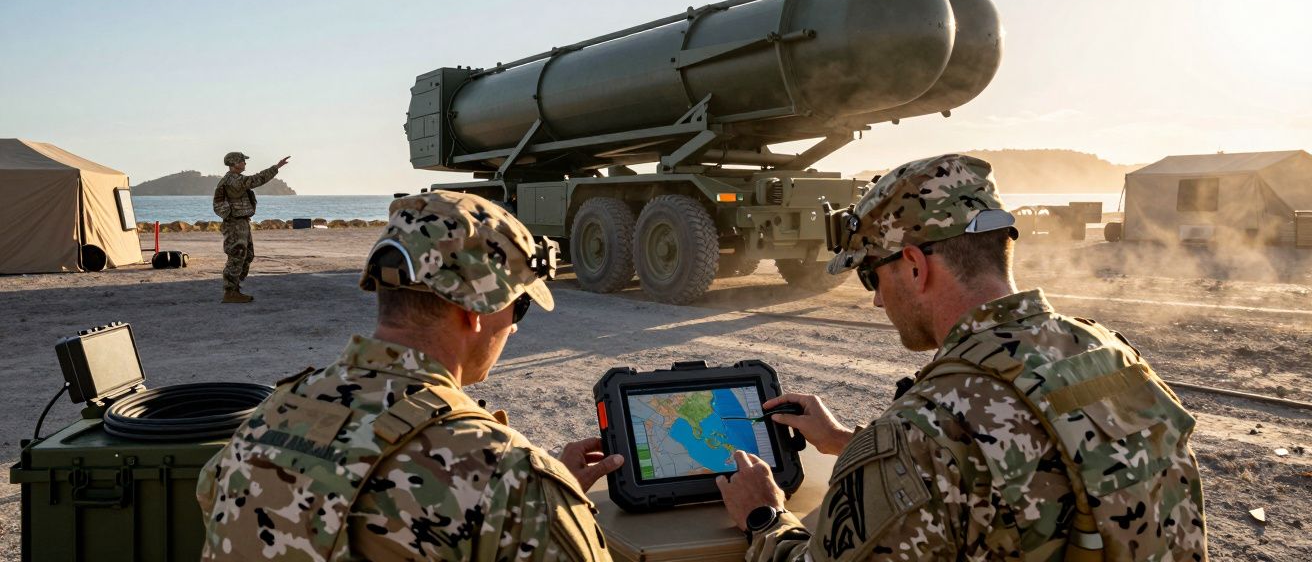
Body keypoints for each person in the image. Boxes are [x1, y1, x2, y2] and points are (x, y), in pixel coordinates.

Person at [717, 154, 1207, 561]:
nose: (877, 301)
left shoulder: (925, 430)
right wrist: (852, 444)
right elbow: (1027, 464)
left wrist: (764, 517)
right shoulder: (1111, 353)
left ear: (914, 266)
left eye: (871, 277)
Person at [197, 190, 623, 561]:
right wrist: (548, 506)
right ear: (474, 311)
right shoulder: (507, 479)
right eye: (519, 307)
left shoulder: (266, 418)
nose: (512, 327)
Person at [212, 151, 290, 303]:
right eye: (242, 161)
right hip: (235, 223)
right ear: (234, 163)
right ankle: (230, 292)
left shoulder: (235, 179)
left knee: (247, 255)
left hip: (241, 221)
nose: (245, 163)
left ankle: (235, 288)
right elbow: (257, 179)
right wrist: (276, 167)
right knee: (237, 254)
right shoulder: (232, 180)